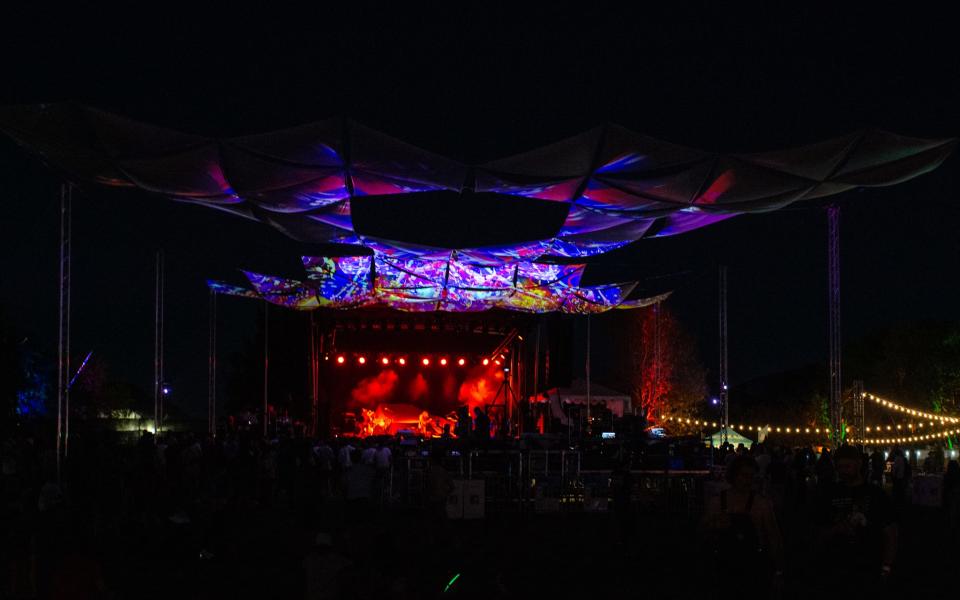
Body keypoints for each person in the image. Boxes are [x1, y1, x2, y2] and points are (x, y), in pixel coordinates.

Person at [815, 445, 897, 594]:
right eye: (839, 467)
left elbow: (890, 532)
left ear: (859, 464)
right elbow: (818, 531)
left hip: (868, 568)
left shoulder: (876, 495)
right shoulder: (829, 494)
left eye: (847, 466)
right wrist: (835, 530)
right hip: (836, 568)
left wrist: (886, 567)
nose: (843, 471)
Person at [702, 455, 784, 597]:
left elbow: (774, 537)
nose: (747, 480)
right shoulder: (717, 502)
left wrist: (778, 570)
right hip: (723, 568)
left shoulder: (761, 504)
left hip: (753, 568)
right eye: (744, 475)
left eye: (751, 476)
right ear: (733, 475)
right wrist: (714, 526)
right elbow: (702, 533)